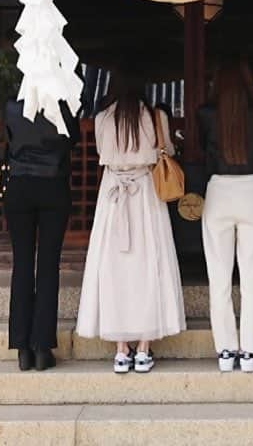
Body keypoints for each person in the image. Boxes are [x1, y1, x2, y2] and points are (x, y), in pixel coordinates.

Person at [75, 67, 186, 373]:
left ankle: (121, 349)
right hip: (145, 195)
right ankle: (144, 348)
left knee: (113, 270)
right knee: (149, 268)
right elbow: (169, 151)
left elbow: (102, 152)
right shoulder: (154, 117)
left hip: (113, 196)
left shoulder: (102, 119)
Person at [197, 61, 253, 374]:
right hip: (252, 189)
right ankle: (249, 351)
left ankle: (226, 349)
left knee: (219, 277)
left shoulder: (205, 114)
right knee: (252, 278)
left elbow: (204, 149)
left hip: (219, 190)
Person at [3, 97, 80, 372]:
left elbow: (9, 141)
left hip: (19, 184)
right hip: (53, 185)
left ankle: (22, 348)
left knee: (22, 265)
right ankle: (42, 348)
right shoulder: (62, 109)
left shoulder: (12, 108)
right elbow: (73, 140)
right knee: (48, 266)